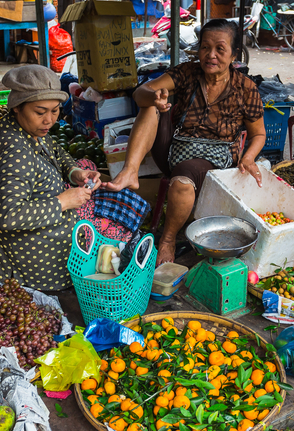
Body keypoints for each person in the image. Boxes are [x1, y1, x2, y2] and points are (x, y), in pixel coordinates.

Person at [104, 19, 267, 265]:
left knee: (182, 179)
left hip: (212, 158)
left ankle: (167, 240)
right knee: (149, 106)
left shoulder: (246, 89)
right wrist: (154, 97)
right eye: (205, 47)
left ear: (234, 54)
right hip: (174, 146)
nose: (210, 55)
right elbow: (139, 93)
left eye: (220, 49)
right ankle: (130, 171)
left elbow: (258, 134)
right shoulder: (188, 72)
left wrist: (248, 157)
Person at [0, 65, 101, 291]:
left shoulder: (27, 130)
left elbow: (55, 150)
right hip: (36, 266)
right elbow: (9, 216)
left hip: (48, 240)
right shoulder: (15, 152)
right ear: (17, 107)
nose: (49, 120)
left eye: (55, 111)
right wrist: (63, 202)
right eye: (40, 112)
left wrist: (74, 172)